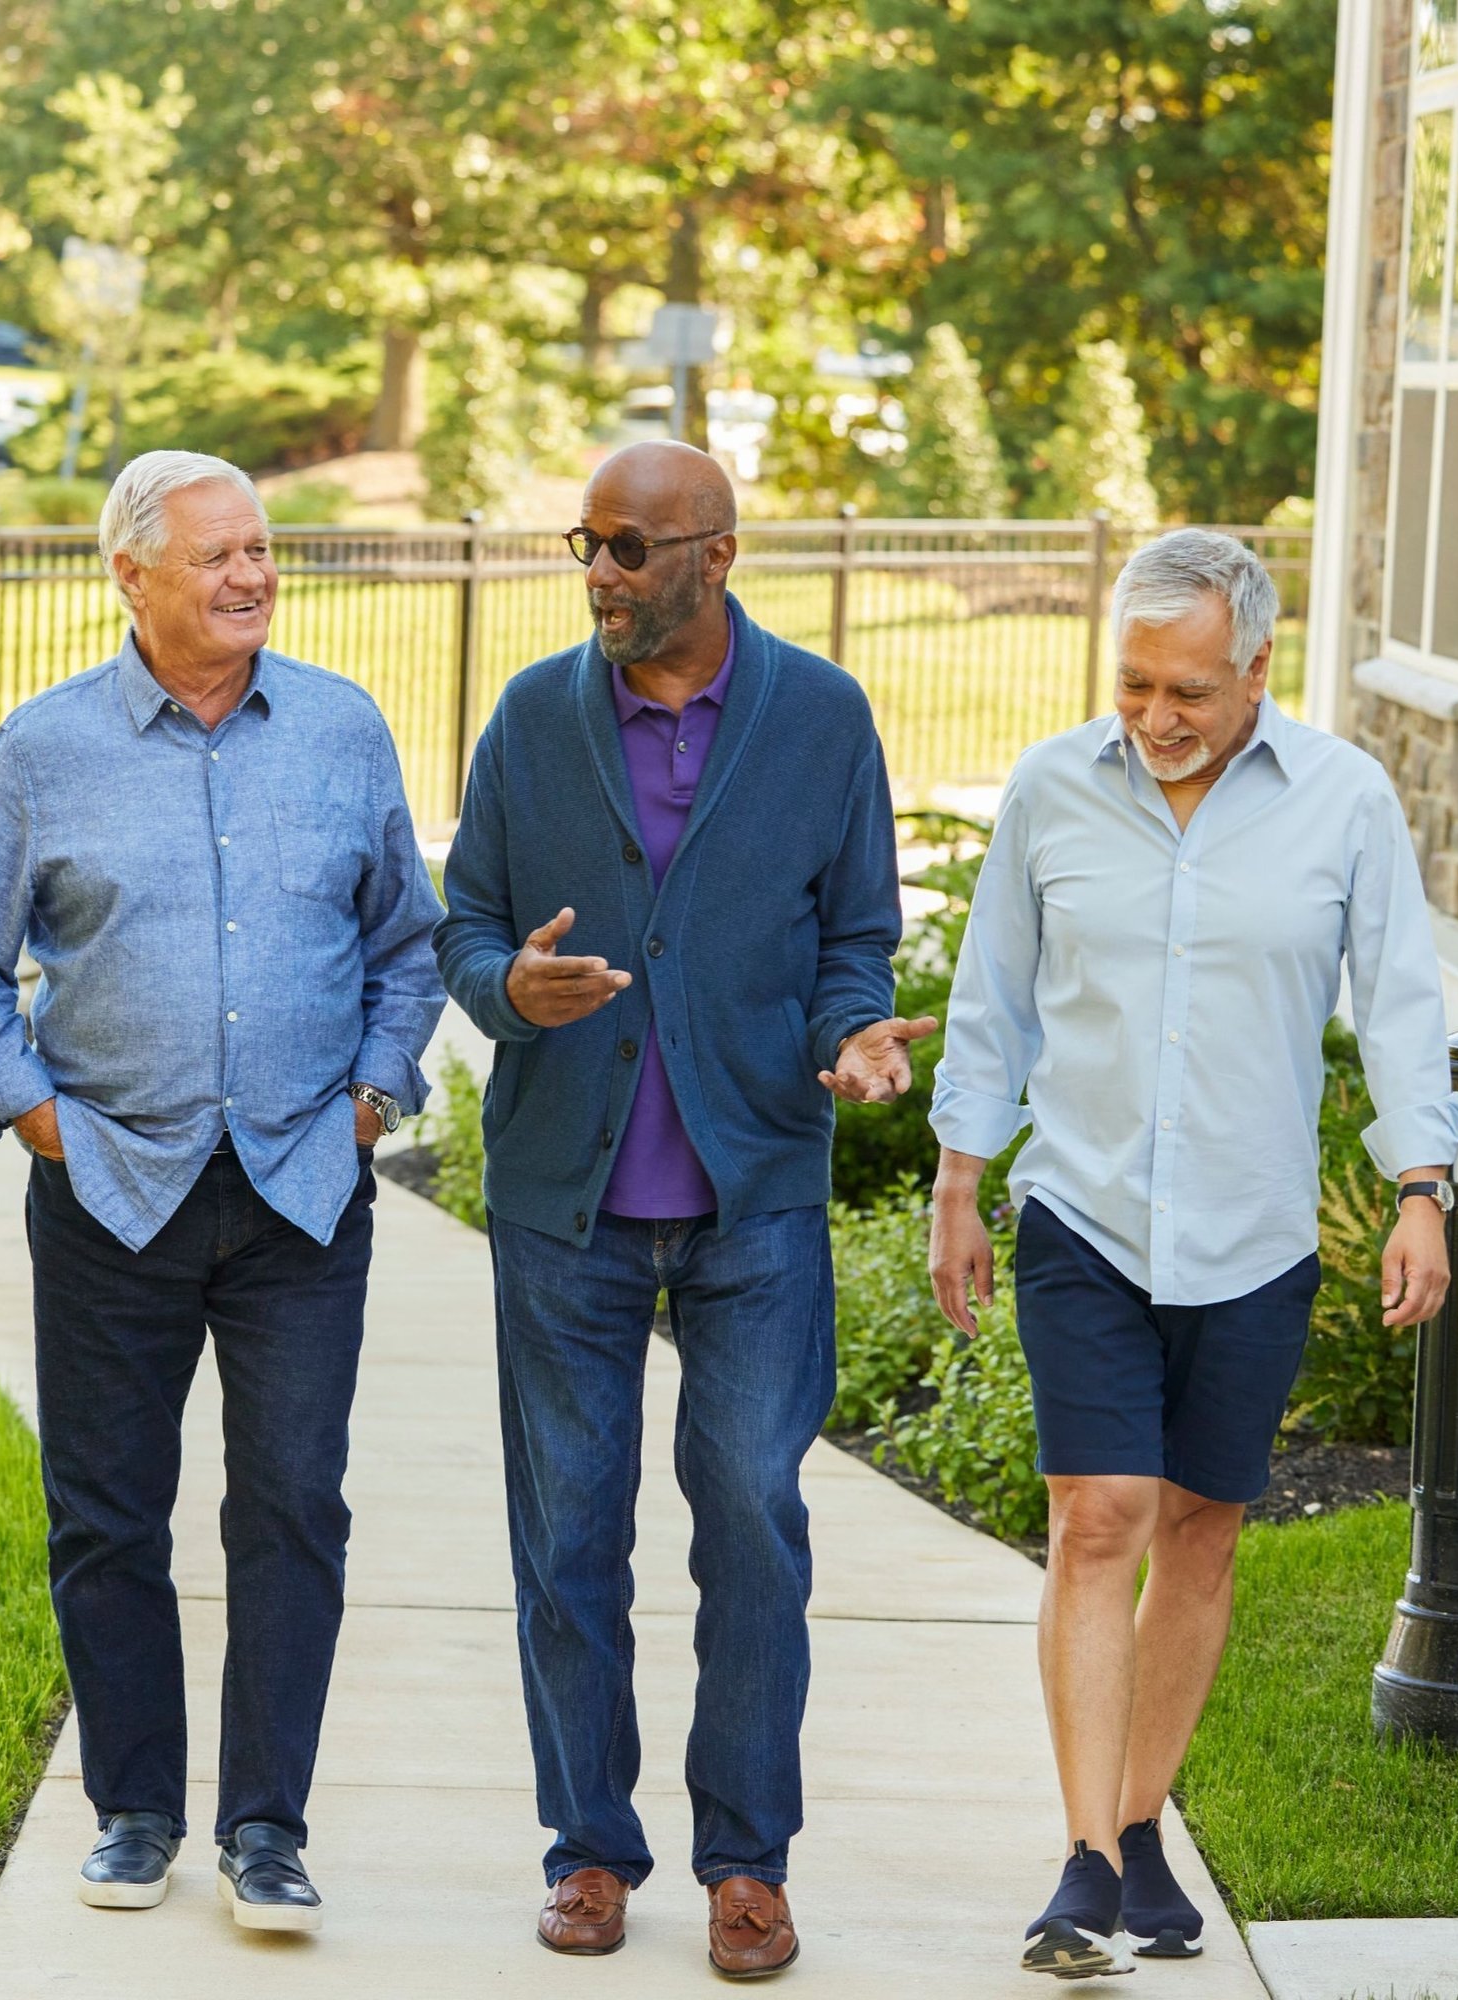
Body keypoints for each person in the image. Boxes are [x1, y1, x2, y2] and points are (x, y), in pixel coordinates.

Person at [0, 449, 445, 1933]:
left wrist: (377, 1089)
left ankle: (267, 1831)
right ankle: (134, 1813)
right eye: (218, 556)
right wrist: (33, 1114)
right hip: (107, 1194)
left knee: (293, 1506)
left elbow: (407, 943)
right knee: (106, 1514)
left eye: (260, 548)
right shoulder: (45, 749)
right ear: (131, 575)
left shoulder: (342, 730)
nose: (253, 576)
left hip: (301, 1193)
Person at [927, 527, 1458, 1978]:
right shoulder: (1053, 789)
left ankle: (1139, 1821)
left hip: (1251, 1231)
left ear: (1257, 669)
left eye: (1189, 690)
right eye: (1135, 684)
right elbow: (992, 1000)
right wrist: (961, 1180)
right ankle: (1086, 1864)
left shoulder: (1344, 800)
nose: (1155, 716)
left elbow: (1400, 1005)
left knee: (1202, 1530)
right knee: (1100, 1512)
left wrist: (1422, 1189)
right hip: (1087, 1213)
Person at [436, 440, 931, 1977]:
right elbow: (465, 927)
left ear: (717, 554)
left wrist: (852, 1038)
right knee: (568, 1537)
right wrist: (509, 990)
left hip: (753, 1197)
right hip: (564, 1201)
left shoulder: (822, 717)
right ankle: (588, 1848)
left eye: (631, 547)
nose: (600, 570)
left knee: (756, 1531)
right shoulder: (532, 717)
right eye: (585, 542)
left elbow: (854, 938)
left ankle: (748, 1865)